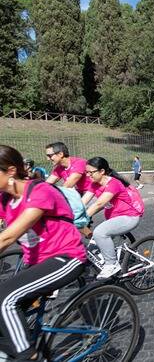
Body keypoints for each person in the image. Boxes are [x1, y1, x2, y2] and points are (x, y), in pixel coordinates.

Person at [0, 145, 86, 361]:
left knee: (4, 298)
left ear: (10, 171)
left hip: (66, 258)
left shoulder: (39, 191)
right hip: (36, 262)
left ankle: (29, 356)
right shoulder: (5, 199)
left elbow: (8, 237)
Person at [82, 157, 141, 279]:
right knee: (94, 242)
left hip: (128, 217)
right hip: (113, 220)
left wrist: (81, 218)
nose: (88, 175)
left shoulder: (113, 183)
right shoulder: (94, 184)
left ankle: (111, 264)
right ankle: (111, 260)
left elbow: (98, 204)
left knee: (99, 232)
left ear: (102, 171)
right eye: (86, 172)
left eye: (90, 172)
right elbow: (82, 202)